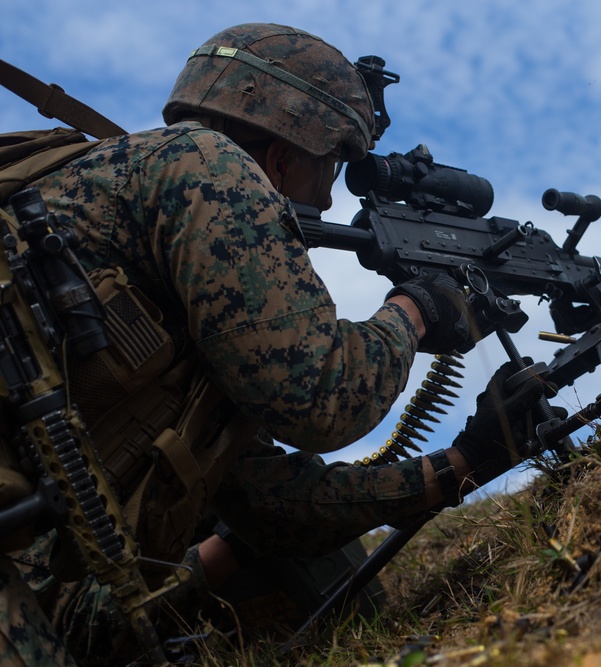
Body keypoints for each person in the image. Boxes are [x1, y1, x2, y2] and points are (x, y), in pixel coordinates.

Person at [0, 23, 546, 665]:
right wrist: (417, 311)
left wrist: (463, 463)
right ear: (289, 151)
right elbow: (323, 397)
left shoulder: (150, 247)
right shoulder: (208, 164)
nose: (332, 192)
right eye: (334, 164)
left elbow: (271, 504)